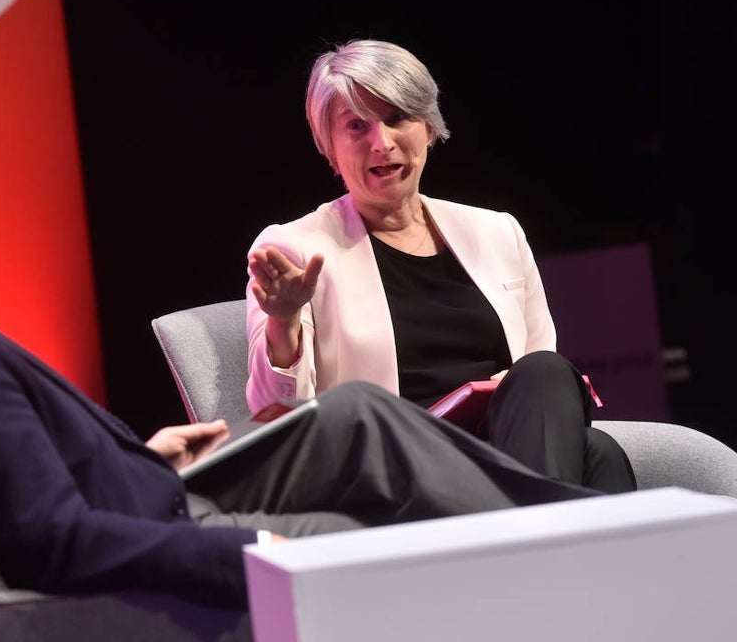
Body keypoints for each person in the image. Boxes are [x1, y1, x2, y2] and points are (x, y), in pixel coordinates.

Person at [0, 96, 604, 611]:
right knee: (376, 460)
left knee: (357, 416)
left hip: (145, 483)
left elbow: (2, 471)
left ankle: (562, 546)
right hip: (160, 526)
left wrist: (138, 451)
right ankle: (573, 562)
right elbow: (50, 539)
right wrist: (256, 552)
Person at [246, 38, 637, 494]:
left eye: (397, 119)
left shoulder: (497, 232)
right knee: (596, 453)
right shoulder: (296, 247)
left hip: (503, 451)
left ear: (428, 128)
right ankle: (545, 548)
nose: (382, 143)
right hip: (392, 469)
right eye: (356, 126)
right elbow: (274, 419)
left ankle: (533, 546)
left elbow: (536, 375)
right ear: (329, 146)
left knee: (572, 411)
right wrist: (283, 320)